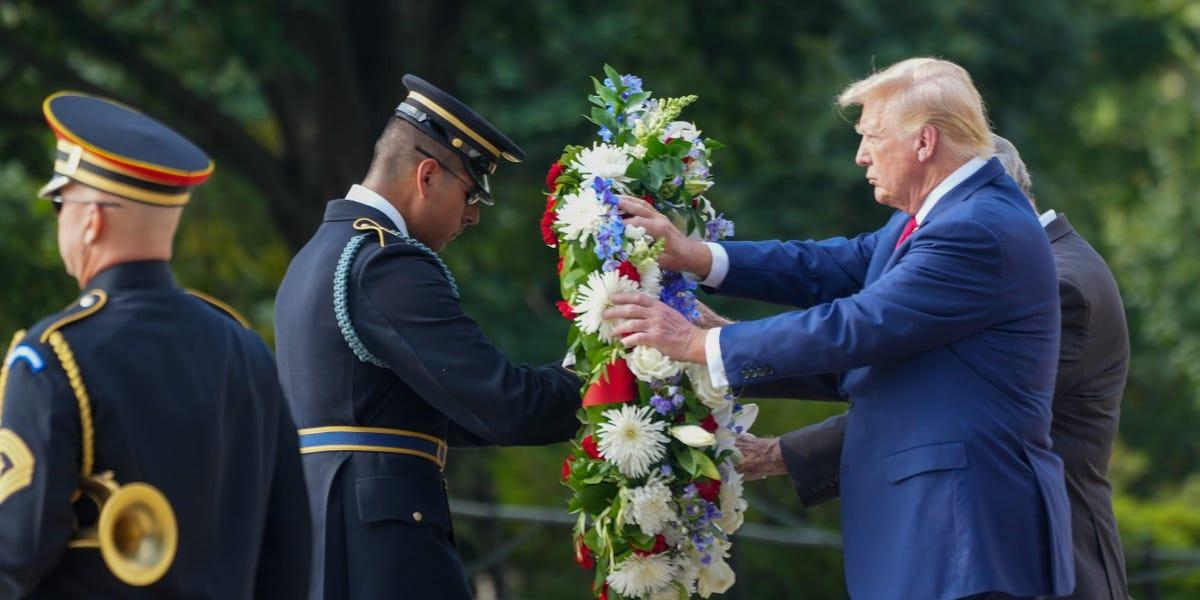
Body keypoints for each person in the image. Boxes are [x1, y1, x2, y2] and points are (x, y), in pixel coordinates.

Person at [607, 58, 1073, 598]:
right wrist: (696, 257)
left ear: (924, 142)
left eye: (872, 137)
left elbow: (858, 324)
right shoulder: (943, 212)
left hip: (962, 534)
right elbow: (834, 266)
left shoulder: (976, 227)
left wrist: (697, 342)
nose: (861, 156)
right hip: (942, 528)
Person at [740, 134, 1130, 599]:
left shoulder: (1059, 286)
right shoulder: (1018, 263)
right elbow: (887, 351)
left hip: (1039, 560)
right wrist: (727, 351)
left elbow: (924, 400)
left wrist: (772, 453)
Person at [274, 75, 582, 600]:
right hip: (380, 549)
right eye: (469, 193)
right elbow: (506, 404)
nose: (472, 216)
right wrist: (600, 375)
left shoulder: (315, 258)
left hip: (324, 532)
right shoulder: (387, 261)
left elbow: (441, 409)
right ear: (427, 175)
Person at [0, 92, 310, 597]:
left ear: (91, 220)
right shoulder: (246, 351)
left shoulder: (52, 356)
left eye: (60, 202)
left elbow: (15, 551)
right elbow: (290, 547)